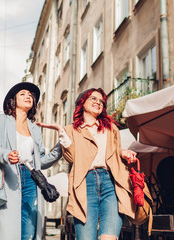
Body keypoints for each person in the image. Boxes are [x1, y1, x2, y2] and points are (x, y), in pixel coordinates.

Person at [37, 88, 138, 240]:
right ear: (82, 102)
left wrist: (123, 152)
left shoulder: (111, 129)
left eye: (101, 101)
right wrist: (61, 133)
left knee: (109, 237)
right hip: (85, 185)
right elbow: (72, 158)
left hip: (111, 183)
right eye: (93, 99)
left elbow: (114, 152)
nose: (98, 102)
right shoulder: (71, 130)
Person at [0, 82, 62, 240]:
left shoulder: (34, 128)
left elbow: (40, 161)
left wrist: (62, 146)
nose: (28, 96)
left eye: (31, 95)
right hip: (8, 177)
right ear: (13, 100)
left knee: (28, 226)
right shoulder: (2, 120)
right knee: (7, 228)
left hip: (30, 178)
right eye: (23, 94)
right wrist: (7, 155)